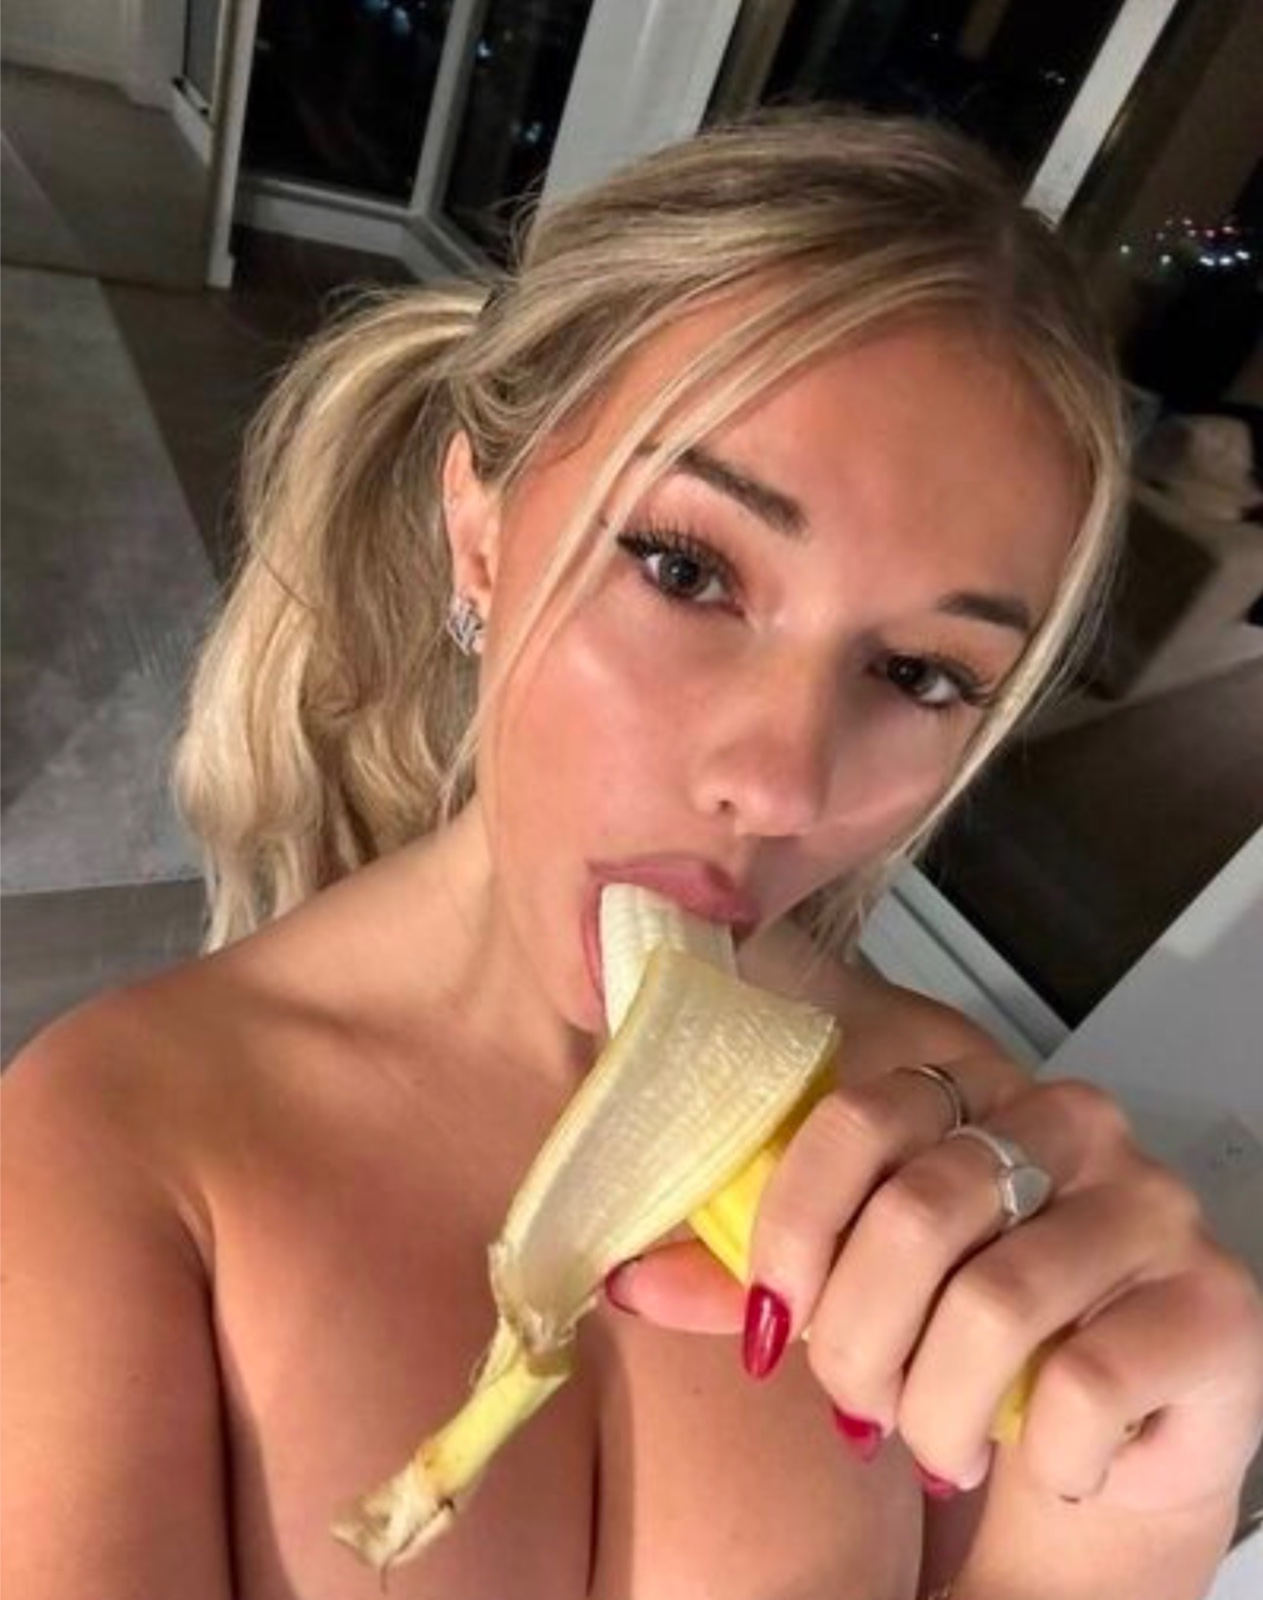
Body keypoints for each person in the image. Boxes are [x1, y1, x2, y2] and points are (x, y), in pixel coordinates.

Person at [3, 111, 1261, 1600]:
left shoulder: (947, 1172)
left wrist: (1141, 1510)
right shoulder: (113, 1153)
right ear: (481, 531)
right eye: (685, 567)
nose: (777, 782)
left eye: (920, 674)